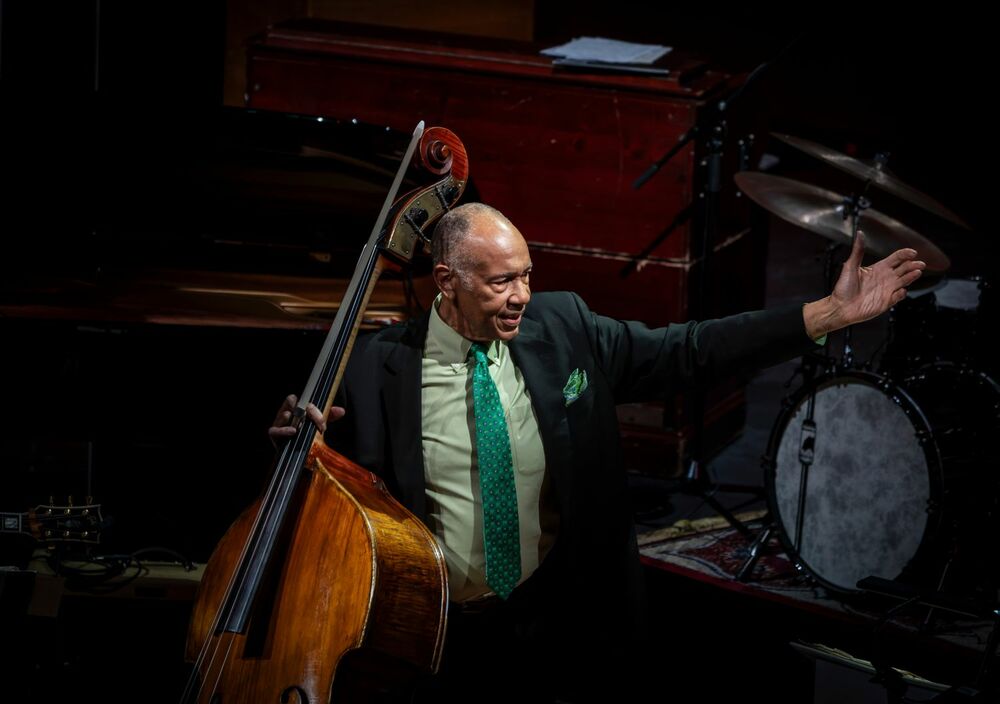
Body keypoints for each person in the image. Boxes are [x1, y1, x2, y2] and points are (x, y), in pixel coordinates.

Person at [269, 202, 924, 702]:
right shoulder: (375, 367)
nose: (520, 295)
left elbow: (688, 349)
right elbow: (337, 489)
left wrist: (824, 316)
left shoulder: (564, 327)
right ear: (448, 280)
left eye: (526, 276)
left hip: (559, 622)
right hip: (439, 634)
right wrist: (300, 445)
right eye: (500, 283)